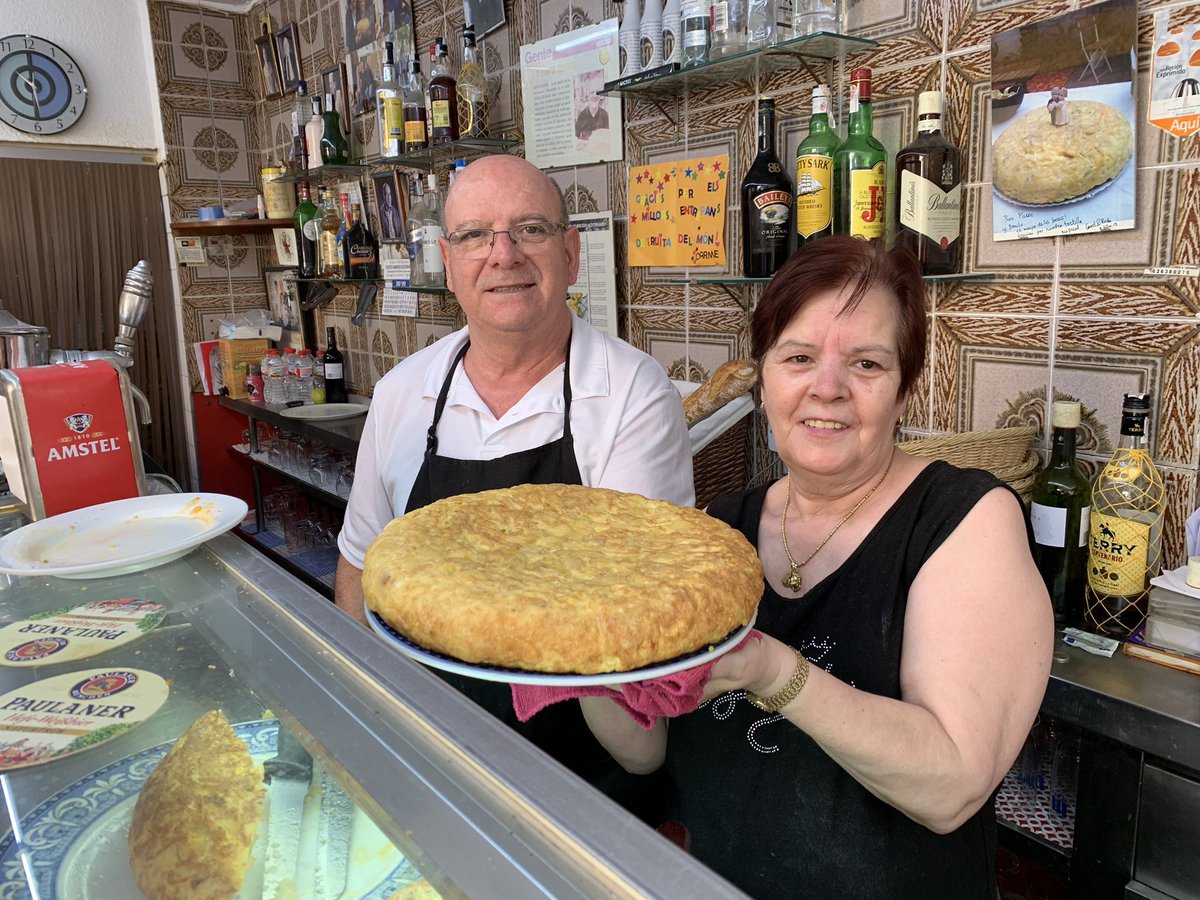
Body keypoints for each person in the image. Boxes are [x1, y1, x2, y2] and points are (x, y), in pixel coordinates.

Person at [582, 237, 1054, 896]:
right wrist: (582, 654)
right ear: (764, 376)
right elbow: (646, 749)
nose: (826, 389)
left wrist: (774, 671)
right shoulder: (720, 531)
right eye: (799, 357)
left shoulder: (965, 520)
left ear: (903, 389)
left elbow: (952, 784)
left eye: (865, 364)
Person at [335, 154, 694, 822]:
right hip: (427, 751)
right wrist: (367, 715)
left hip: (584, 775)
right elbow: (360, 566)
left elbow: (632, 606)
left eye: (529, 229)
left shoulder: (631, 393)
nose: (502, 254)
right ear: (448, 259)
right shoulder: (400, 395)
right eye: (475, 235)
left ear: (569, 249)